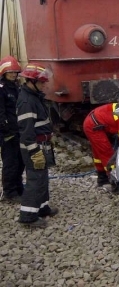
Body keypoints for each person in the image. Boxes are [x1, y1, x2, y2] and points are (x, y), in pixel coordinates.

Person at [17, 63, 58, 228]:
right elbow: (26, 131)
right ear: (30, 81)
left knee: (42, 177)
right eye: (41, 82)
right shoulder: (27, 101)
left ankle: (42, 208)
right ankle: (28, 216)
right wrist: (34, 151)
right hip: (34, 146)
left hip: (42, 143)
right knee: (35, 179)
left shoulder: (34, 97)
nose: (44, 85)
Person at [83, 103, 119, 187]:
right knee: (107, 153)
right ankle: (115, 182)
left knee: (98, 154)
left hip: (92, 122)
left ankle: (102, 178)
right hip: (94, 126)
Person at [0, 56, 25, 203]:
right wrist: (7, 130)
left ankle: (18, 187)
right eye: (11, 72)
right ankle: (9, 192)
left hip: (18, 131)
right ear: (4, 72)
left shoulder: (16, 87)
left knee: (21, 161)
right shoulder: (2, 90)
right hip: (8, 133)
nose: (14, 74)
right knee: (10, 162)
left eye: (15, 72)